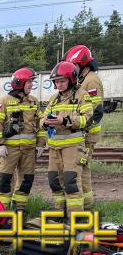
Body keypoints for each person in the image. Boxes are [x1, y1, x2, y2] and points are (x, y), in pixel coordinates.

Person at [42, 61, 93, 216]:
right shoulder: (54, 98)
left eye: (62, 81)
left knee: (71, 182)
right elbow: (43, 117)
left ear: (72, 79)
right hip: (54, 147)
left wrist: (64, 121)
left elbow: (87, 119)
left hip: (73, 146)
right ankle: (59, 214)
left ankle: (76, 218)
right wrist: (44, 122)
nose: (59, 85)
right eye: (56, 82)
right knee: (54, 181)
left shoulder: (82, 95)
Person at [0, 68, 46, 210]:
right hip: (9, 150)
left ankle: (20, 208)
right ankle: (1, 210)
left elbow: (40, 124)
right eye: (29, 81)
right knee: (5, 180)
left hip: (29, 150)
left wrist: (41, 143)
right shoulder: (4, 101)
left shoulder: (33, 102)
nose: (31, 85)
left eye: (32, 82)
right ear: (19, 82)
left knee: (26, 180)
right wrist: (0, 144)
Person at [63, 45, 104, 209]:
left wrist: (80, 127)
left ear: (82, 63)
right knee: (80, 168)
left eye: (74, 66)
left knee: (82, 168)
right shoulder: (83, 78)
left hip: (87, 135)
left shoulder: (91, 80)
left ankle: (86, 204)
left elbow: (96, 111)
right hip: (82, 134)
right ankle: (85, 203)